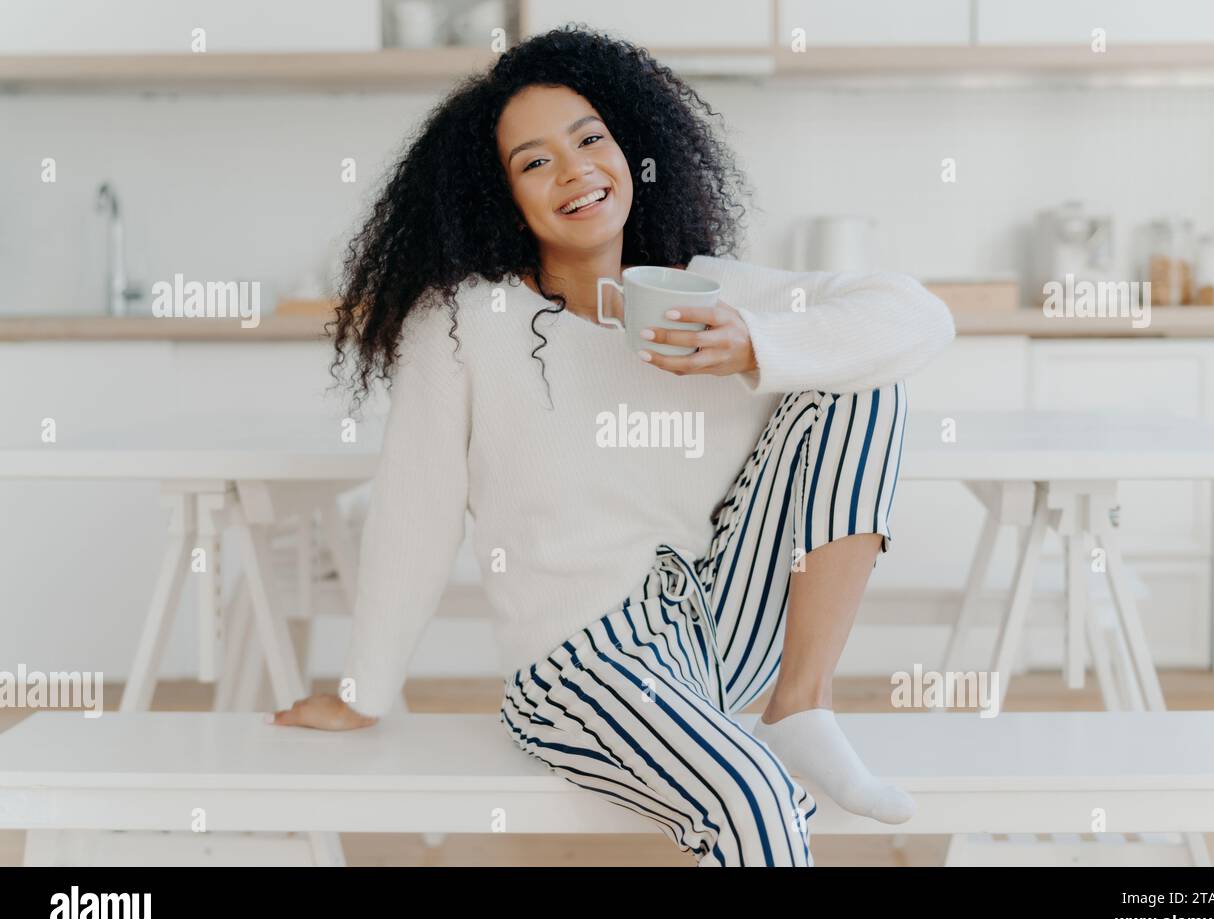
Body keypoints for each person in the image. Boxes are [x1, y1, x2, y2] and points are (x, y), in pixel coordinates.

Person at [273, 26, 955, 867]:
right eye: (534, 162)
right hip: (581, 664)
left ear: (633, 146)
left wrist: (757, 343)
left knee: (860, 370)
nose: (575, 171)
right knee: (755, 799)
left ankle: (803, 704)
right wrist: (362, 694)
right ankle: (769, 754)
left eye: (591, 139)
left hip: (723, 633)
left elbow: (920, 318)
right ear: (502, 197)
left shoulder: (717, 295)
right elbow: (415, 515)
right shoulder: (464, 325)